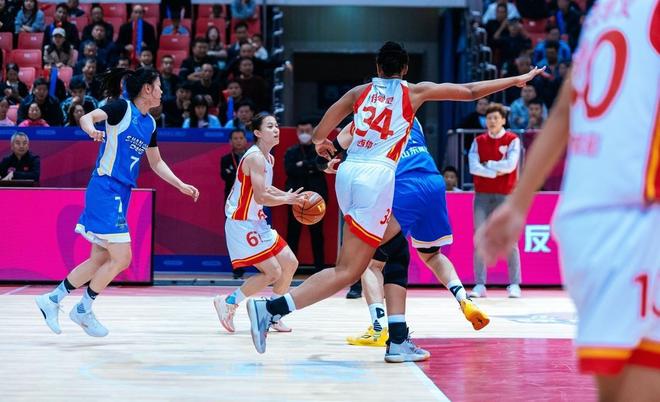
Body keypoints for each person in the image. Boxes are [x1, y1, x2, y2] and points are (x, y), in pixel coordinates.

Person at [245, 41, 543, 357]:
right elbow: (469, 91)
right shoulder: (413, 92)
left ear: (377, 68)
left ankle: (398, 339)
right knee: (349, 270)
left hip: (348, 175)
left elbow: (321, 131)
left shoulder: (359, 93)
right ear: (405, 69)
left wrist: (321, 144)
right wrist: (516, 80)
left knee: (396, 250)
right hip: (376, 179)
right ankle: (272, 309)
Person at [476, 1, 660, 399]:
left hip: (588, 221)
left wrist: (518, 204)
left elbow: (564, 110)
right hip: (637, 217)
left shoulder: (604, 13)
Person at [35, 67, 199, 337]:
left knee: (99, 259)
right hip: (105, 188)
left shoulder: (150, 124)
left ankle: (51, 299)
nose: (162, 91)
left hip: (121, 193)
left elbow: (156, 162)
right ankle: (83, 308)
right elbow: (87, 117)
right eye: (159, 86)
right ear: (147, 88)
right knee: (123, 257)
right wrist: (91, 130)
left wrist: (180, 184)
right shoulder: (122, 108)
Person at [327, 118, 489, 353]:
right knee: (432, 255)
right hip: (433, 182)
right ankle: (464, 299)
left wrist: (333, 165)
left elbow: (339, 152)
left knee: (370, 263)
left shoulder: (366, 119)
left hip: (403, 185)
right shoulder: (414, 119)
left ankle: (379, 327)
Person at [212, 113, 305, 334]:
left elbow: (266, 188)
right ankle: (229, 302)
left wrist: (288, 195)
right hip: (242, 222)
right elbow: (262, 196)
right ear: (257, 133)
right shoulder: (255, 158)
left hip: (257, 222)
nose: (276, 129)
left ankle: (273, 314)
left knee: (290, 263)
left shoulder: (268, 158)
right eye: (270, 126)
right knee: (273, 272)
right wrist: (287, 200)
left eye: (277, 125)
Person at [468, 103, 522, 298]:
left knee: (510, 239)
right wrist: (495, 171)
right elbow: (473, 168)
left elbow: (510, 166)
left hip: (506, 195)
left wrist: (488, 164)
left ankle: (514, 284)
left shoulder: (512, 140)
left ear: (503, 120)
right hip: (482, 195)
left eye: (496, 118)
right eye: (489, 118)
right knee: (480, 237)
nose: (492, 121)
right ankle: (480, 284)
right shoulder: (478, 141)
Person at [284, 119, 328, 272]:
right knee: (293, 234)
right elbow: (290, 169)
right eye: (301, 131)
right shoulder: (291, 151)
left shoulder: (319, 150)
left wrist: (303, 165)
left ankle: (319, 268)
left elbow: (320, 166)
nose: (304, 134)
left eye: (307, 131)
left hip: (316, 200)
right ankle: (290, 268)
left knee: (317, 235)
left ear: (313, 131)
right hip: (296, 200)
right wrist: (309, 166)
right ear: (297, 132)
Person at [220, 129, 248, 201]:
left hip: (249, 194)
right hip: (232, 196)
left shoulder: (252, 157)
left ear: (245, 140)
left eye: (241, 138)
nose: (238, 141)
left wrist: (233, 173)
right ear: (230, 141)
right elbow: (225, 176)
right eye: (235, 138)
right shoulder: (226, 159)